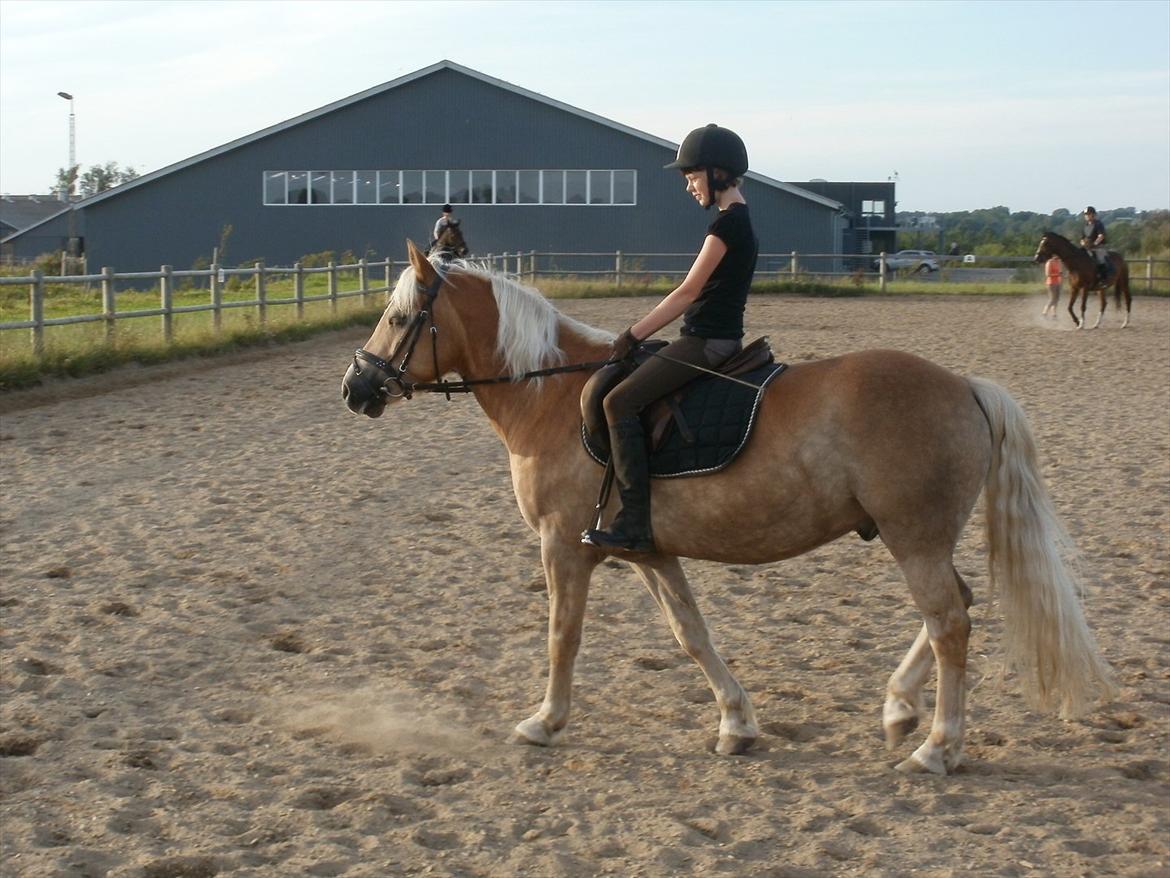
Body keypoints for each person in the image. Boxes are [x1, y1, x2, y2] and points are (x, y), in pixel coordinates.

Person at [581, 124, 758, 553]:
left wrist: (632, 334)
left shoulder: (725, 228)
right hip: (712, 338)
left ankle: (635, 524)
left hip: (707, 343)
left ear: (718, 174)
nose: (689, 187)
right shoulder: (739, 221)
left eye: (692, 177)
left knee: (617, 402)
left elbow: (687, 292)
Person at [1081, 206, 1109, 282]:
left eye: (1088, 214)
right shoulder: (1085, 226)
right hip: (1088, 247)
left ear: (1093, 215)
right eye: (1085, 214)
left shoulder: (1098, 224)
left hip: (1099, 246)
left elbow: (1101, 236)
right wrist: (1083, 244)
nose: (1086, 216)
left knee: (1100, 259)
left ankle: (1103, 278)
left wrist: (1094, 244)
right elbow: (1082, 238)